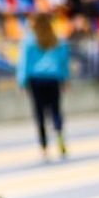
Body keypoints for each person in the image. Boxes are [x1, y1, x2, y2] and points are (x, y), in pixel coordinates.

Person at [17, 11, 70, 161]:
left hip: (36, 80)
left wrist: (22, 81)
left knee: (39, 113)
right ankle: (59, 134)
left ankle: (44, 146)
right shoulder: (58, 40)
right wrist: (65, 79)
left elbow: (24, 63)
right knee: (56, 110)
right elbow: (64, 62)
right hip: (53, 79)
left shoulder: (29, 41)